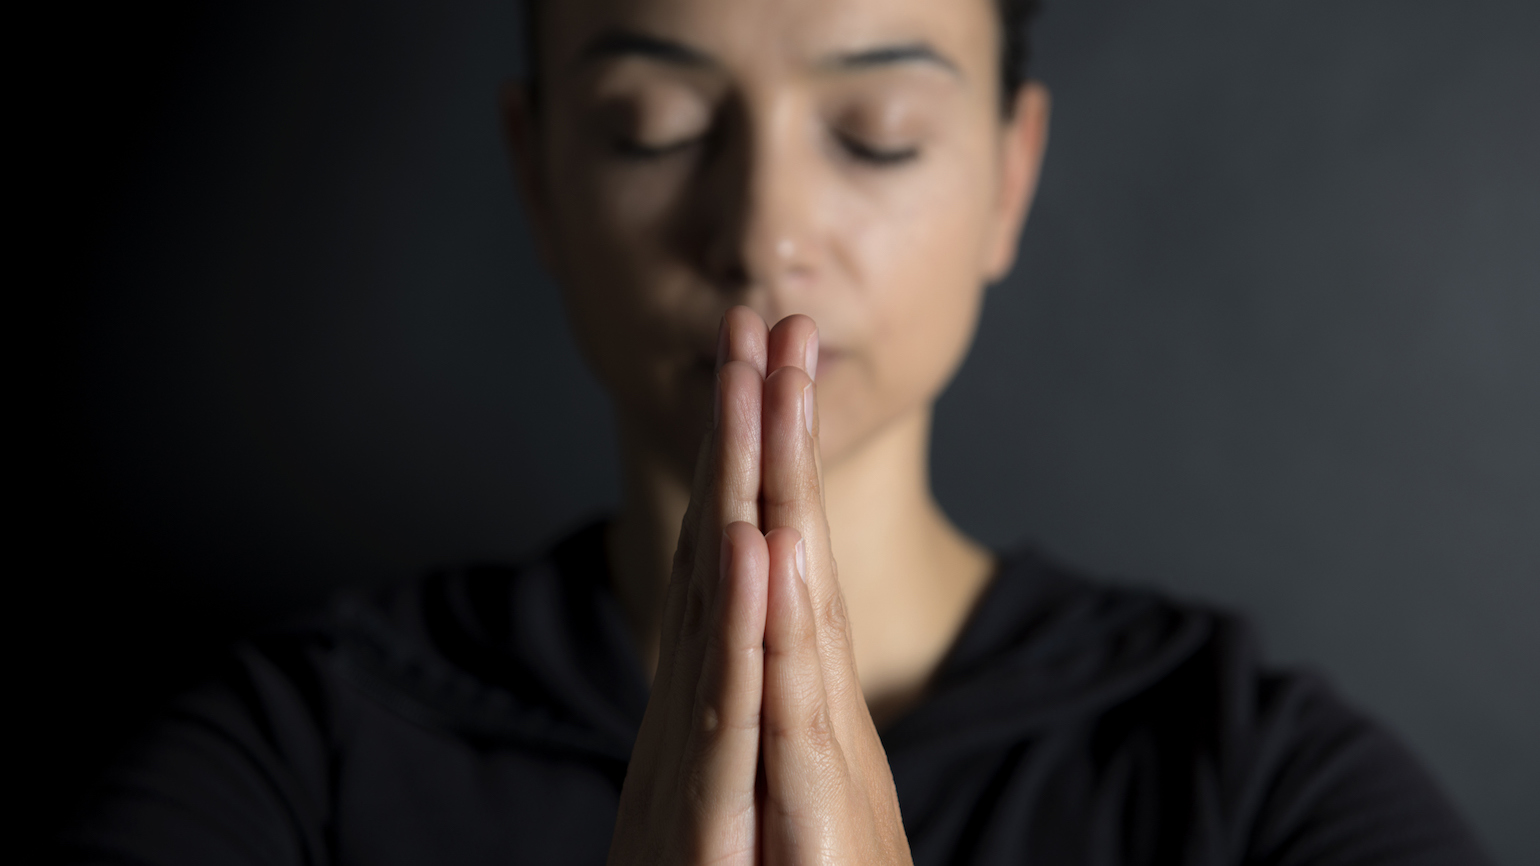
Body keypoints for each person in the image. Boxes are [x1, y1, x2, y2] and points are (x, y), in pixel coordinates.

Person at [65, 0, 1490, 863]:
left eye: (876, 131)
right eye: (652, 124)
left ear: (1009, 175)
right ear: (538, 173)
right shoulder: (303, 758)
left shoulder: (1250, 782)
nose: (762, 233)